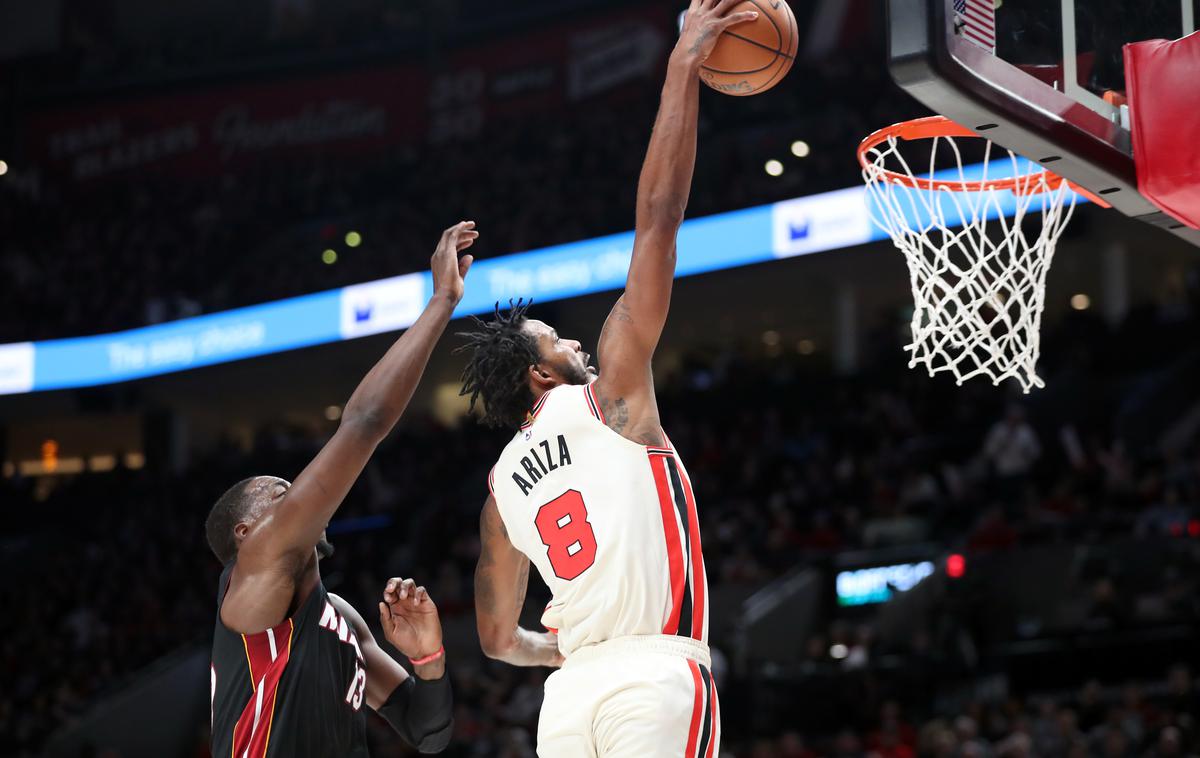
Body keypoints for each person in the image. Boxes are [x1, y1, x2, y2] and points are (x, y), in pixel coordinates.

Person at [458, 3, 756, 754]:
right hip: (653, 675)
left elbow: (497, 639)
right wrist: (683, 64)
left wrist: (566, 650)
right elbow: (659, 219)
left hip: (566, 704)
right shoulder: (607, 396)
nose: (578, 343)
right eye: (558, 339)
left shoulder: (501, 490)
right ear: (538, 374)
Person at [206, 222, 477, 757]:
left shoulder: (342, 619)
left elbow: (428, 732)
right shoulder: (253, 571)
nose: (299, 494)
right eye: (278, 492)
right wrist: (442, 301)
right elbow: (365, 421)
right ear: (246, 533)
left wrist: (429, 661)